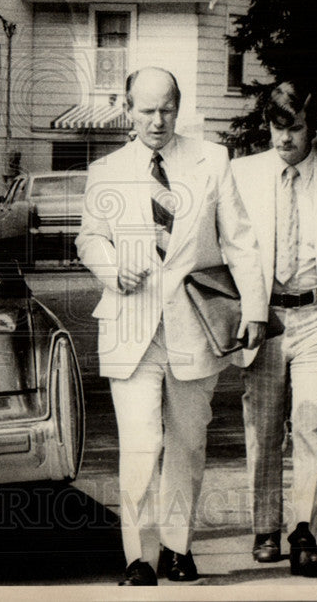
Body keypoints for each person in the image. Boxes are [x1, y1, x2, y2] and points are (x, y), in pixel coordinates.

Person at [76, 67, 267, 585]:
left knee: (187, 442)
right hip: (131, 325)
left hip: (194, 325)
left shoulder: (212, 160)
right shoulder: (106, 170)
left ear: (178, 108)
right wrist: (114, 269)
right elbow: (89, 239)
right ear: (128, 109)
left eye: (166, 109)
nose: (156, 120)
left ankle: (178, 547)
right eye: (145, 109)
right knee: (141, 444)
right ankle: (140, 558)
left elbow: (241, 240)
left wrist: (254, 311)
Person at [230, 81, 317, 577]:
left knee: (314, 423)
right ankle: (266, 526)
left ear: (312, 128)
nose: (284, 139)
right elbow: (227, 251)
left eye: (294, 128)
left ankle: (304, 531)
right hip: (264, 318)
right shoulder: (241, 175)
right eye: (276, 127)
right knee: (263, 427)